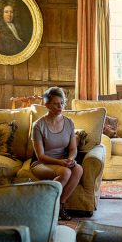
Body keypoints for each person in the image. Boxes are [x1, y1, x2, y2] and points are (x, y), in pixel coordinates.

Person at [30, 86, 84, 221]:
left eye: (62, 103)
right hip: (42, 163)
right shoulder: (38, 125)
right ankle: (50, 207)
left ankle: (59, 205)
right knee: (66, 172)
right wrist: (61, 162)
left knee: (78, 169)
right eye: (55, 103)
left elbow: (73, 149)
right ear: (47, 105)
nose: (60, 106)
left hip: (63, 160)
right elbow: (40, 156)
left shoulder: (69, 123)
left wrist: (71, 159)